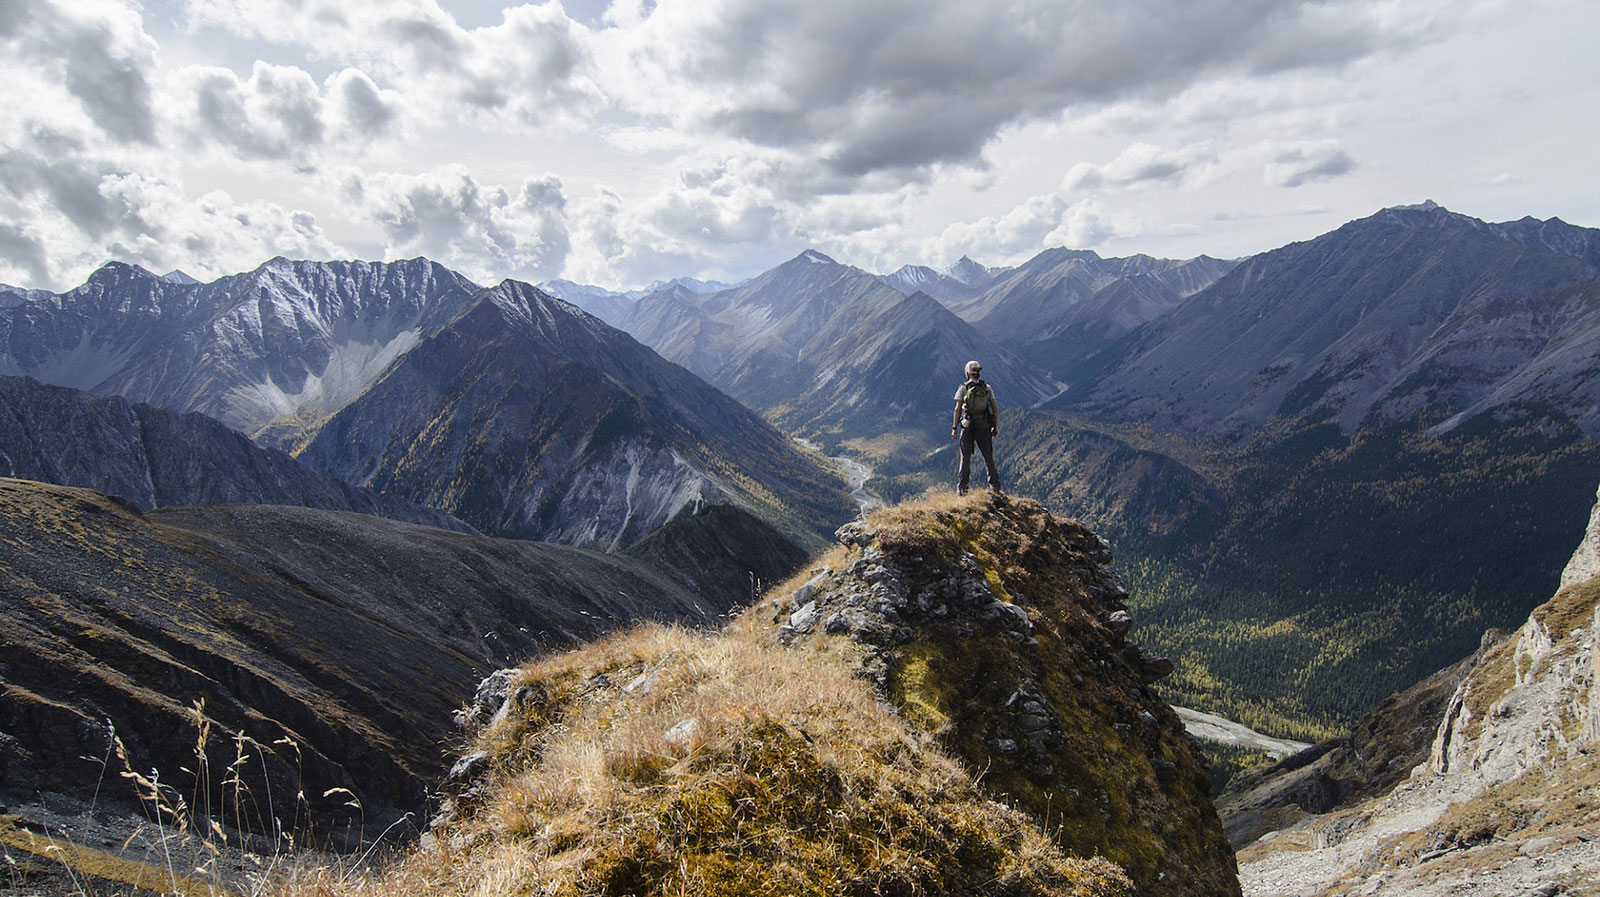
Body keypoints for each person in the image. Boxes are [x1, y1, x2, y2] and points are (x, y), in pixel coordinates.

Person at [951, 360, 1001, 495]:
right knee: (988, 458)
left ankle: (962, 490)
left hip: (968, 428)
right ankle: (995, 487)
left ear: (967, 373)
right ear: (978, 372)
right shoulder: (987, 388)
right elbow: (995, 410)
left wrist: (954, 428)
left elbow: (957, 410)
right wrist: (995, 427)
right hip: (984, 427)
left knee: (965, 459)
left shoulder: (963, 388)